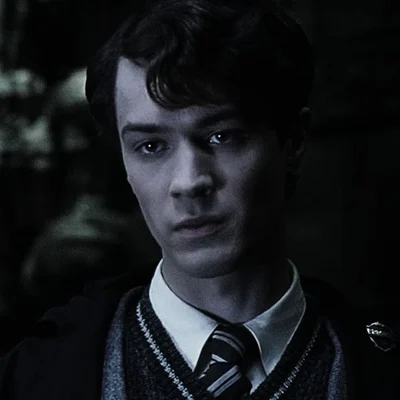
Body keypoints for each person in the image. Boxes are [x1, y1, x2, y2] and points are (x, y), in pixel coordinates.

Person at [0, 0, 399, 399]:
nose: (189, 182)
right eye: (151, 146)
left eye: (222, 136)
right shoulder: (37, 375)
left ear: (292, 141)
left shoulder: (377, 366)